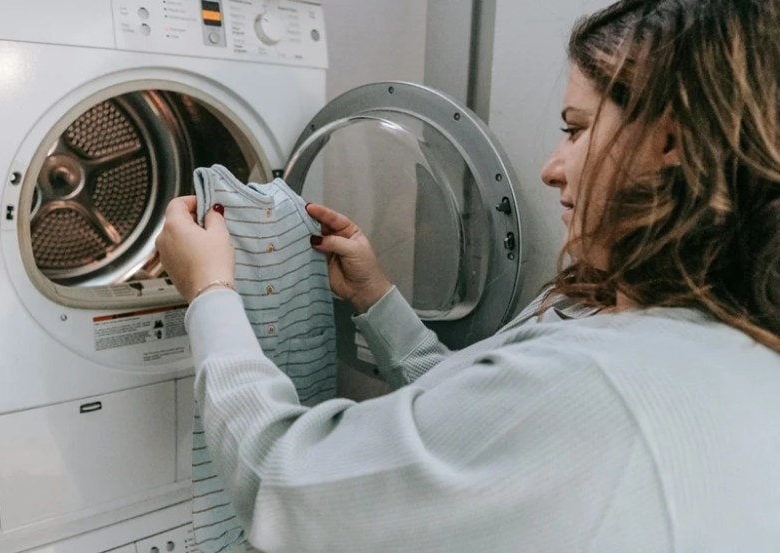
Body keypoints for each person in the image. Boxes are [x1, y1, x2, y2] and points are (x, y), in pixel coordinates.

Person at [155, 0, 780, 551]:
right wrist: (377, 299)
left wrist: (212, 293)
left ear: (669, 137)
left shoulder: (597, 380)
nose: (551, 168)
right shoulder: (708, 335)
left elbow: (283, 482)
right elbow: (475, 422)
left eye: (577, 129)